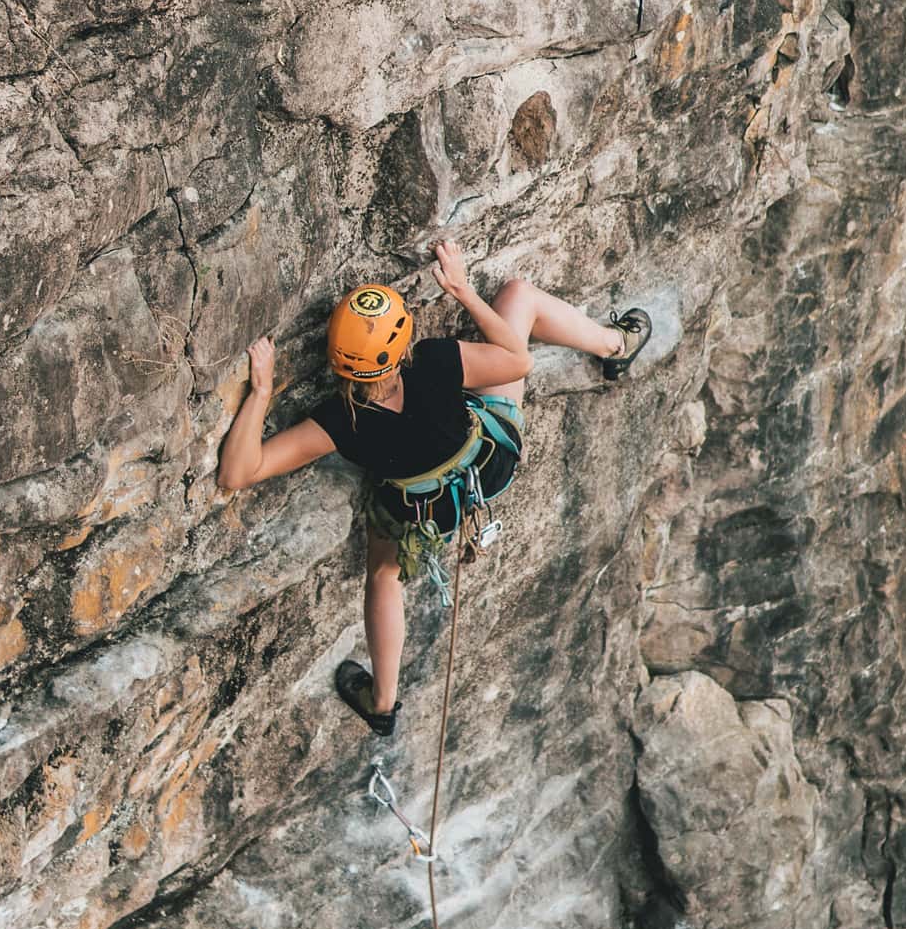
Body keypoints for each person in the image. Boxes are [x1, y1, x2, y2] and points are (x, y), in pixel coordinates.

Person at [217, 239, 650, 737]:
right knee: (519, 295)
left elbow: (238, 473)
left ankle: (382, 701)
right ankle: (615, 346)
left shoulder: (340, 422)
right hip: (489, 467)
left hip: (428, 515)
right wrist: (464, 291)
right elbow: (517, 361)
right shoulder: (433, 361)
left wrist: (263, 392)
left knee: (383, 573)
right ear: (401, 347)